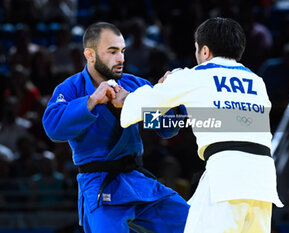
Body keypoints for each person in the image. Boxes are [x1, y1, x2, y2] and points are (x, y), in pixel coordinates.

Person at [114, 17, 284, 233]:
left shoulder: (194, 76)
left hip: (227, 176)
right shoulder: (257, 82)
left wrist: (127, 98)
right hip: (262, 181)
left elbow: (142, 106)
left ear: (204, 51)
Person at [42, 22, 189, 233]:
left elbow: (169, 128)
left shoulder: (135, 85)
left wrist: (169, 97)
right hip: (100, 186)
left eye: (122, 51)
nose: (121, 59)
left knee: (194, 224)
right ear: (90, 55)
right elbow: (54, 128)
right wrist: (91, 101)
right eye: (112, 52)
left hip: (138, 181)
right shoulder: (71, 88)